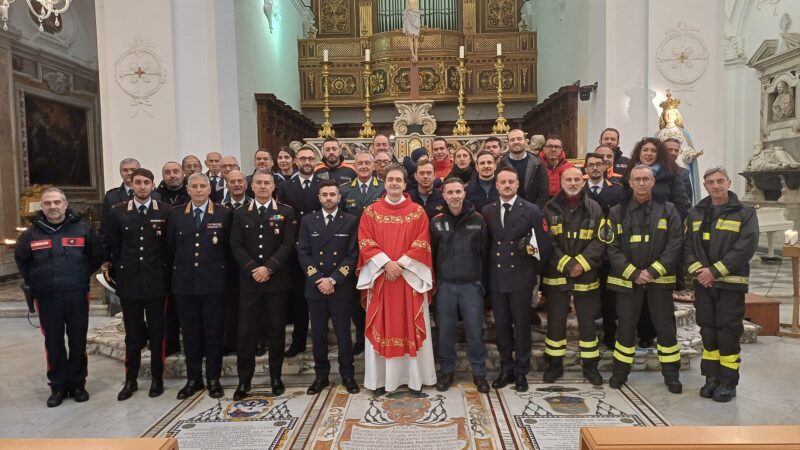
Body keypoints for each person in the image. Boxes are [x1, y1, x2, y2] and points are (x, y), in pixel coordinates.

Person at [14, 188, 103, 407]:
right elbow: (22, 261)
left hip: (76, 294)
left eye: (56, 202)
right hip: (47, 297)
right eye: (47, 203)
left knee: (77, 341)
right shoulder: (31, 234)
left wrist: (80, 277)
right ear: (42, 207)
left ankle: (77, 384)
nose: (52, 207)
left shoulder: (83, 229)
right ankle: (58, 387)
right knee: (53, 342)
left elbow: (95, 257)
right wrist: (36, 281)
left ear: (65, 204)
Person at [357, 164, 436, 394]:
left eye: (398, 180)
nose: (394, 183)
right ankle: (381, 380)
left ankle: (415, 379)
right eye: (390, 179)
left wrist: (400, 264)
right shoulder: (370, 211)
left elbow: (422, 242)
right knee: (382, 324)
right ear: (384, 183)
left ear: (404, 183)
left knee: (410, 324)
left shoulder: (417, 212)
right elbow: (365, 241)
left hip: (408, 278)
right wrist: (386, 263)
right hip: (382, 278)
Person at [605, 164, 683, 394]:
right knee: (626, 328)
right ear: (629, 183)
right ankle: (620, 372)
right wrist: (634, 273)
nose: (641, 183)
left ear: (653, 182)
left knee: (665, 328)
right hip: (628, 282)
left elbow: (675, 244)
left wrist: (653, 271)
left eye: (645, 179)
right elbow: (612, 247)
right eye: (637, 179)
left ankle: (671, 375)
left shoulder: (669, 210)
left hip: (659, 282)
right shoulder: (616, 213)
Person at [685, 166, 759, 402]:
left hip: (730, 284)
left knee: (728, 332)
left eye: (720, 181)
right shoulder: (696, 212)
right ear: (705, 185)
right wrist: (698, 271)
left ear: (728, 182)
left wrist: (714, 271)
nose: (715, 186)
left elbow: (745, 247)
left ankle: (728, 381)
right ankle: (711, 378)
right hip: (704, 284)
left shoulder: (744, 212)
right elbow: (687, 247)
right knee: (708, 331)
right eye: (710, 182)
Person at [105, 168, 172, 401]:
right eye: (138, 183)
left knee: (157, 333)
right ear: (131, 185)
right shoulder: (118, 212)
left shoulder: (165, 212)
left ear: (153, 186)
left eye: (146, 183)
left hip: (156, 283)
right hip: (130, 282)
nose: (142, 187)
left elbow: (169, 248)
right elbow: (111, 245)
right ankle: (130, 379)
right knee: (132, 335)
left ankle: (157, 378)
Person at [230, 170, 297, 400]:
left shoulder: (286, 212)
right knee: (246, 333)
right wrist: (252, 269)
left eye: (266, 183)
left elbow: (288, 244)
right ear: (251, 186)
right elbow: (236, 245)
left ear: (274, 186)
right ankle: (244, 381)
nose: (262, 186)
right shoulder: (240, 214)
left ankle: (275, 378)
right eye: (258, 182)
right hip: (249, 283)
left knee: (276, 332)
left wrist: (268, 268)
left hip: (276, 282)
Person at [484, 167, 551, 392]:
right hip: (497, 278)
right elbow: (486, 246)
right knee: (501, 327)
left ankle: (522, 371)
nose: (507, 185)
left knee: (522, 327)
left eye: (511, 182)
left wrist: (533, 274)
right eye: (502, 182)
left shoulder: (531, 210)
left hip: (521, 278)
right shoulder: (488, 210)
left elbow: (543, 245)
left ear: (517, 184)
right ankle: (506, 369)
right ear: (496, 185)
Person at [167, 173, 233, 400]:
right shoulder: (176, 215)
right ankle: (193, 379)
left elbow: (229, 251)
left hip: (214, 284)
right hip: (185, 284)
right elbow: (170, 249)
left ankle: (213, 379)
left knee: (214, 333)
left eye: (202, 186)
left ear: (209, 188)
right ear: (187, 189)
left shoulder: (224, 214)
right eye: (194, 186)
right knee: (191, 333)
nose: (198, 190)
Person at [541, 167, 605, 385]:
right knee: (555, 322)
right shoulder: (549, 208)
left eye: (577, 179)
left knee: (587, 322)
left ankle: (591, 366)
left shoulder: (594, 208)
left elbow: (600, 241)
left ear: (583, 181)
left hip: (586, 275)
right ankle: (554, 365)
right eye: (568, 179)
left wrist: (581, 264)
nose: (573, 182)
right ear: (561, 181)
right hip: (557, 275)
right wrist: (567, 264)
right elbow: (547, 240)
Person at [297, 179, 361, 395]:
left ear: (339, 197)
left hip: (340, 287)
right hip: (315, 288)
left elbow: (352, 255)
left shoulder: (351, 221)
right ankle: (320, 376)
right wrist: (319, 279)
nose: (329, 198)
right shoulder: (308, 221)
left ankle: (348, 375)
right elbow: (303, 253)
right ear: (319, 198)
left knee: (343, 335)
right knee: (319, 334)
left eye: (332, 194)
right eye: (324, 195)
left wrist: (333, 280)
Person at [430, 177, 490, 393]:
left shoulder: (479, 220)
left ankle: (479, 373)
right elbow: (432, 255)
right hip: (445, 287)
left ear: (464, 193)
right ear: (443, 195)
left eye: (458, 192)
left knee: (475, 331)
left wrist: (482, 285)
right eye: (450, 193)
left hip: (471, 287)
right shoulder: (436, 222)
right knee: (445, 332)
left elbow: (485, 254)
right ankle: (446, 372)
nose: (454, 196)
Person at [338, 151, 385, 355]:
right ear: (354, 166)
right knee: (356, 297)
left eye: (368, 162)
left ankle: (381, 334)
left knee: (379, 295)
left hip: (379, 251)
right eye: (360, 163)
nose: (364, 166)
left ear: (374, 165)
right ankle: (361, 337)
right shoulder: (345, 191)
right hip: (353, 251)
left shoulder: (383, 188)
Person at [277, 146, 322, 357]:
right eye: (303, 158)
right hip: (296, 249)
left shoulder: (323, 185)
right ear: (296, 161)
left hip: (320, 248)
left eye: (311, 158)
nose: (307, 162)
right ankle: (299, 341)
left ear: (316, 161)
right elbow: (284, 219)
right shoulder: (286, 186)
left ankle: (322, 339)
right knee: (298, 299)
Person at [583, 152, 625, 348]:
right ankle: (588, 337)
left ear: (605, 167)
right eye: (590, 165)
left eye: (598, 164)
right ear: (585, 169)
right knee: (588, 297)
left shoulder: (617, 191)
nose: (594, 168)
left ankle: (610, 335)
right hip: (586, 251)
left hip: (609, 251)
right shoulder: (579, 190)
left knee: (610, 296)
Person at [221, 170, 251, 354]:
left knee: (252, 307)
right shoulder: (220, 208)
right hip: (228, 265)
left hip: (250, 264)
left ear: (247, 184)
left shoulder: (253, 206)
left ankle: (255, 341)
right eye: (233, 181)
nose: (237, 184)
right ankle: (229, 341)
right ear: (227, 184)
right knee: (230, 306)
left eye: (240, 181)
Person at [500, 129, 549, 208]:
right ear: (508, 143)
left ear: (526, 142)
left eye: (519, 139)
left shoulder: (537, 164)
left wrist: (534, 210)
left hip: (532, 212)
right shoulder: (501, 165)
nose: (516, 142)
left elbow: (544, 192)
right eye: (512, 140)